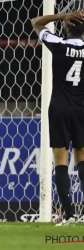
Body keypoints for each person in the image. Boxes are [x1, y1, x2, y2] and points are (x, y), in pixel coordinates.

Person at [32, 11, 84, 226]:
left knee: (60, 161)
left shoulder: (58, 44)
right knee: (82, 158)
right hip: (82, 109)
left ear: (66, 28)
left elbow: (36, 22)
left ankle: (70, 216)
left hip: (60, 109)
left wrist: (62, 15)